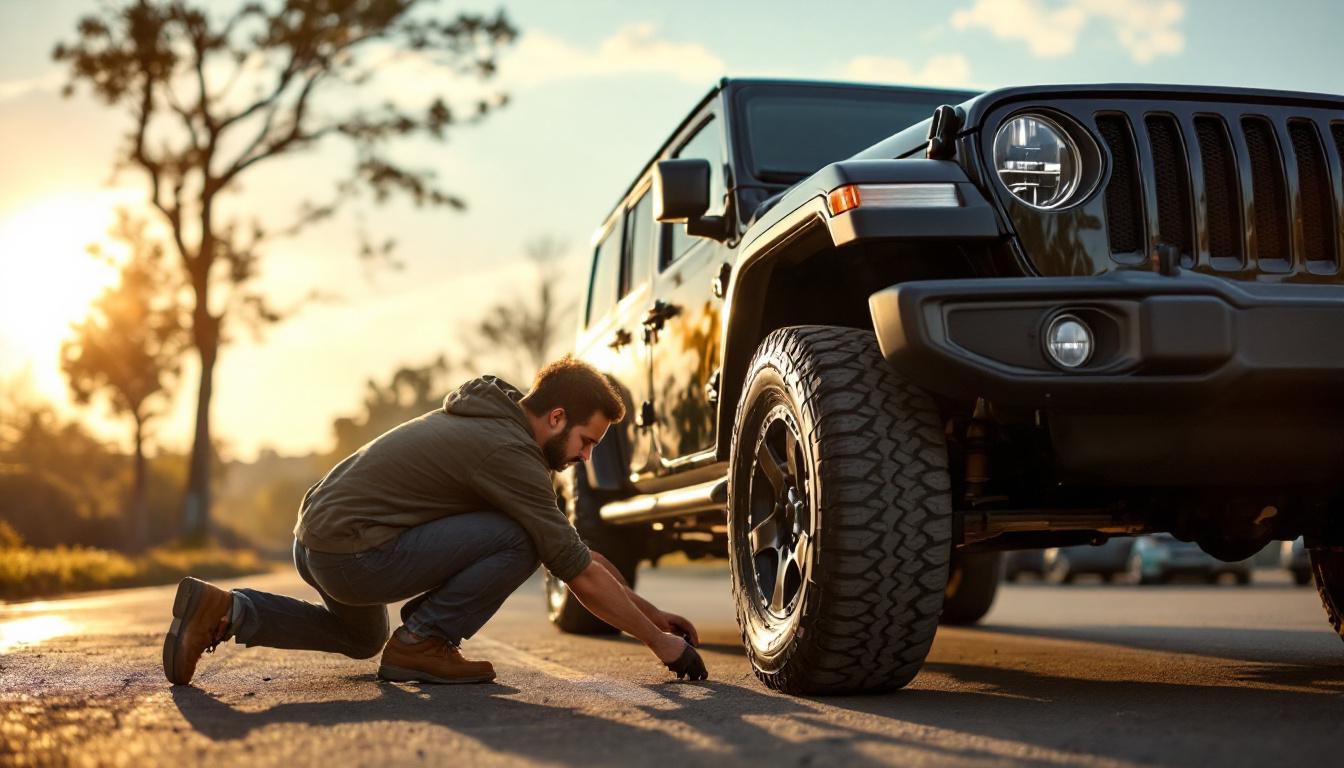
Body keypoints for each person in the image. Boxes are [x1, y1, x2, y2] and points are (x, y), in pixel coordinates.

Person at [162, 357, 708, 686]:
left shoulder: (498, 425)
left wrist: (652, 614)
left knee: (363, 638)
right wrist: (657, 644)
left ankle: (226, 610)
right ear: (556, 417)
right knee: (521, 541)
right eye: (586, 442)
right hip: (352, 552)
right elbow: (572, 567)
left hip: (320, 540)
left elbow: (577, 551)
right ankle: (424, 640)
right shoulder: (508, 452)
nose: (586, 457)